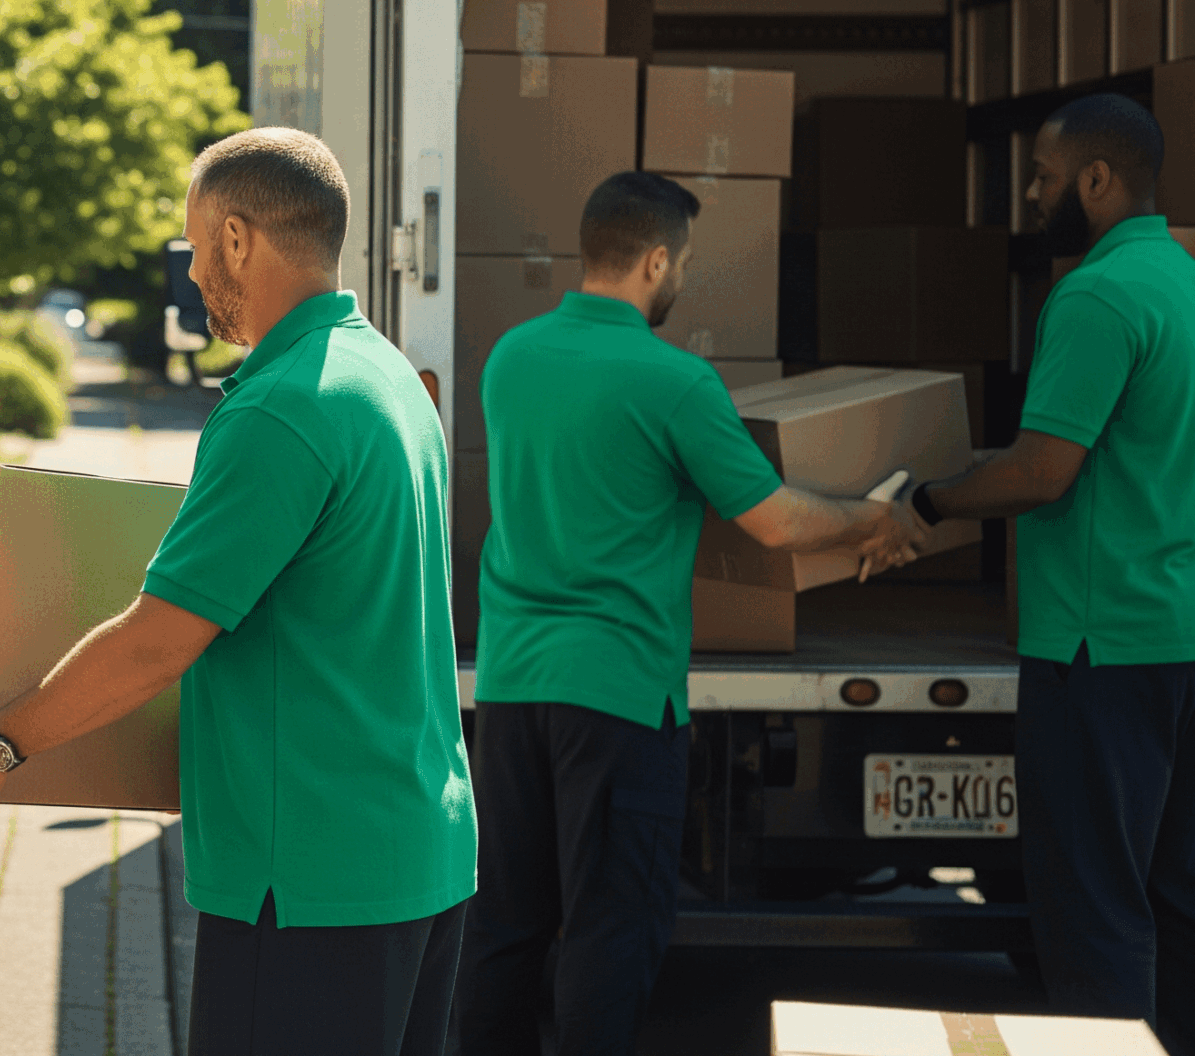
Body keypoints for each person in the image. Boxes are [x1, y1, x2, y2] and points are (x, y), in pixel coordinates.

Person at [0, 127, 474, 1056]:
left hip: (305, 884)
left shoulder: (279, 406)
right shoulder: (390, 380)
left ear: (240, 239)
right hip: (417, 853)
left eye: (195, 242)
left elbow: (156, 642)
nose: (191, 269)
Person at [451, 170, 920, 1056]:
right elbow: (775, 519)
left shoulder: (512, 358)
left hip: (512, 692)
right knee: (609, 931)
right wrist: (874, 518)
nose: (684, 282)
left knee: (507, 926)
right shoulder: (675, 383)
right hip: (619, 697)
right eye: (685, 265)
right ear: (655, 261)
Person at [907, 94, 1195, 1054]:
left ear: (1097, 180)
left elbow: (1044, 469)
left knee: (1095, 914)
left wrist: (930, 503)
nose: (1031, 194)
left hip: (1096, 645)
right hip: (1180, 635)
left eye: (1042, 175)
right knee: (1177, 900)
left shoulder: (1095, 295)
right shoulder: (1183, 283)